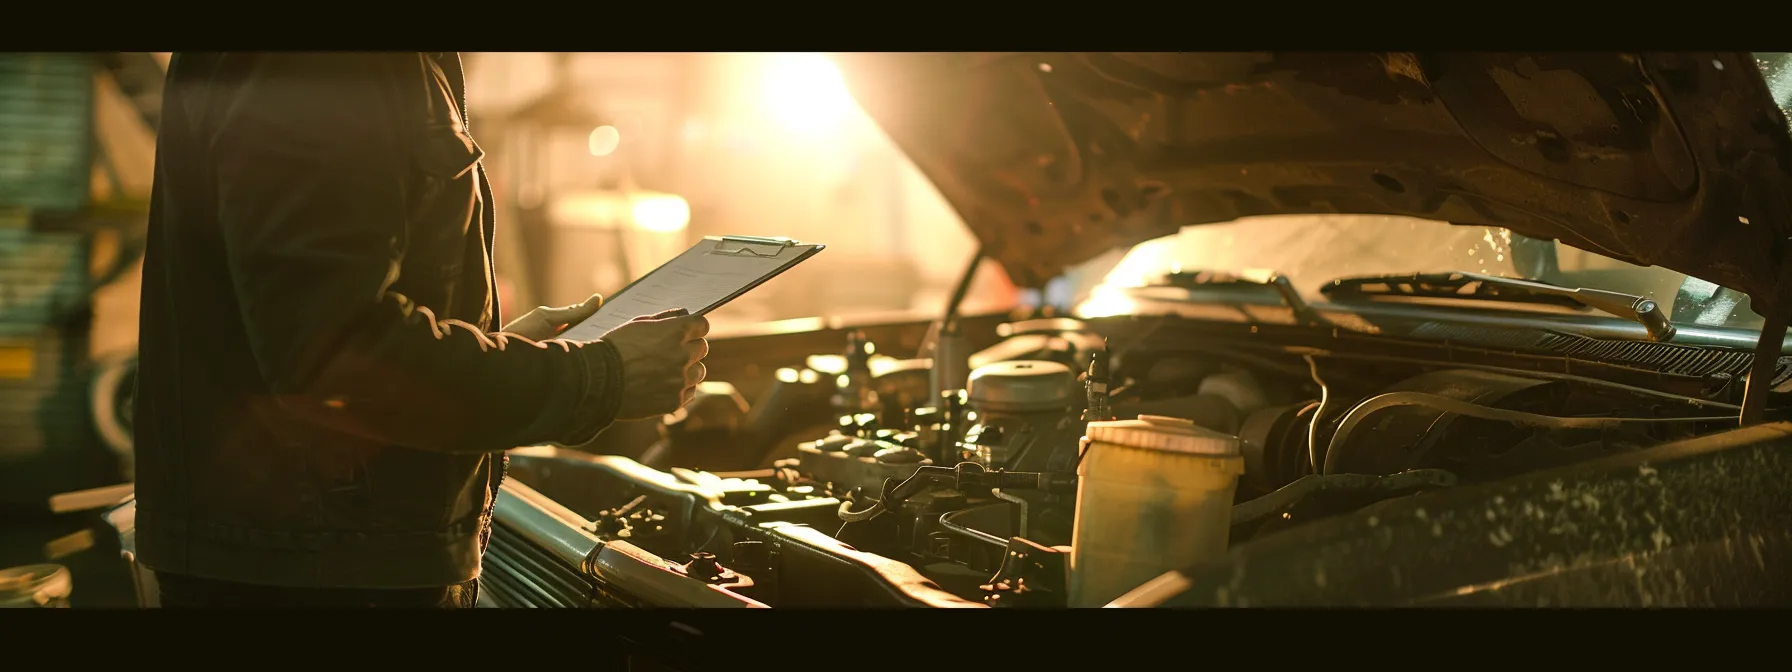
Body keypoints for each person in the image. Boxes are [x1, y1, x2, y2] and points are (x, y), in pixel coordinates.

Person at [132, 52, 709, 608]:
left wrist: (511, 348)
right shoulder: (328, 60)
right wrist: (593, 378)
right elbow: (332, 351)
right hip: (321, 577)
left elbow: (334, 310)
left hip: (324, 557)